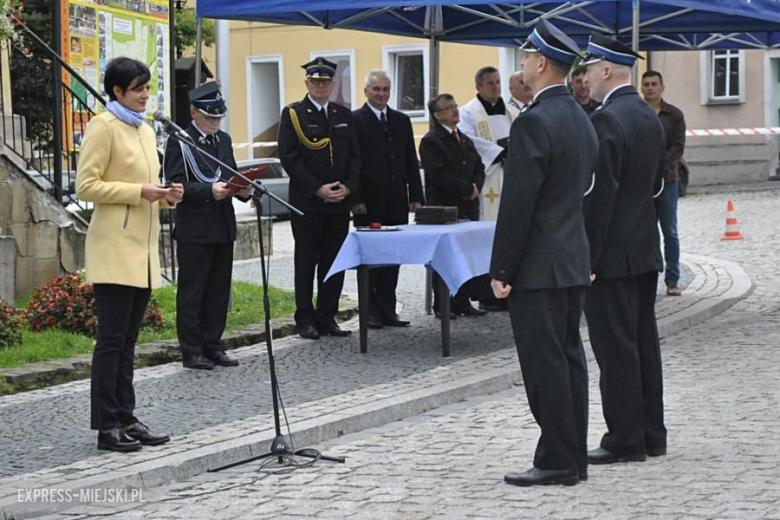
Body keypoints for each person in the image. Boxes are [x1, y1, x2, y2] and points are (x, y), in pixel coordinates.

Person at [489, 20, 598, 487]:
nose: (522, 64)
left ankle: (556, 459)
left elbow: (518, 205)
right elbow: (590, 195)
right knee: (570, 360)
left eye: (526, 57)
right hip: (571, 259)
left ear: (540, 62)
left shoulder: (534, 120)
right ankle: (574, 456)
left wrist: (501, 268)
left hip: (538, 265)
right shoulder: (580, 117)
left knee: (546, 365)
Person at [76, 57, 182, 452]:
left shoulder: (143, 129)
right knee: (111, 341)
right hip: (114, 248)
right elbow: (86, 186)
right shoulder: (103, 126)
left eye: (146, 88)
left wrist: (166, 196)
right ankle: (107, 427)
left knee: (128, 342)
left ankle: (127, 417)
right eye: (137, 88)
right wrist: (138, 192)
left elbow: (147, 185)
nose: (144, 95)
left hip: (143, 251)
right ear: (117, 91)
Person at [581, 34, 668, 466]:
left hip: (613, 256)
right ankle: (652, 432)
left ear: (607, 71)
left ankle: (624, 438)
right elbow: (656, 185)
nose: (586, 79)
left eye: (590, 71)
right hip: (644, 247)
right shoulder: (647, 115)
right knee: (643, 344)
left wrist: (590, 258)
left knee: (615, 349)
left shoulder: (608, 119)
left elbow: (599, 199)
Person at [163, 82, 250, 370]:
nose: (215, 122)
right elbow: (176, 184)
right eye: (210, 117)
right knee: (193, 293)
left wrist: (243, 189)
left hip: (222, 225)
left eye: (218, 117)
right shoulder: (180, 141)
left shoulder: (222, 141)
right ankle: (192, 350)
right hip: (195, 228)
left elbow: (231, 173)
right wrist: (208, 191)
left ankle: (213, 345)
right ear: (193, 112)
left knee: (218, 291)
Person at [278, 57, 360, 340]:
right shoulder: (293, 114)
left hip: (338, 203)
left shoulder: (342, 114)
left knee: (333, 262)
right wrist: (318, 189)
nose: (321, 86)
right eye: (316, 81)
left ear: (333, 84)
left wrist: (348, 187)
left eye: (325, 82)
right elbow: (290, 159)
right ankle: (305, 319)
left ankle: (328, 316)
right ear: (307, 83)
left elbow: (354, 156)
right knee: (306, 262)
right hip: (307, 203)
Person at [351, 70, 424, 330]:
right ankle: (370, 310)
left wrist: (416, 195)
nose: (381, 94)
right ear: (366, 92)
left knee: (393, 257)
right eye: (376, 89)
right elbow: (353, 162)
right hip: (368, 202)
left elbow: (409, 161)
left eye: (385, 89)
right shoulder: (355, 120)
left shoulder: (401, 120)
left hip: (395, 199)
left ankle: (388, 309)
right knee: (371, 259)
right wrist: (355, 198)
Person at [419, 93, 487, 319]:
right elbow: (439, 174)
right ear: (438, 115)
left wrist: (476, 186)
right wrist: (466, 190)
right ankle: (442, 303)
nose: (455, 110)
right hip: (444, 207)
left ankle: (462, 299)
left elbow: (478, 165)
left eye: (455, 106)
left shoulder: (464, 139)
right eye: (449, 108)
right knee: (444, 256)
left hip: (468, 206)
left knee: (466, 253)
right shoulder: (432, 141)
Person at [642, 70, 686, 297]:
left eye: (654, 84)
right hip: (642, 183)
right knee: (645, 231)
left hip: (667, 180)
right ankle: (645, 277)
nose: (650, 88)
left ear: (662, 87)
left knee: (670, 231)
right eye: (646, 84)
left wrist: (659, 167)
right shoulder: (637, 113)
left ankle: (672, 279)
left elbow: (678, 147)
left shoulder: (674, 115)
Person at [458, 66, 519, 222]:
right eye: (490, 83)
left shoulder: (513, 112)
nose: (495, 87)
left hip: (512, 171)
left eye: (498, 82)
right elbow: (467, 140)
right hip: (488, 172)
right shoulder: (467, 112)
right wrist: (498, 152)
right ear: (479, 88)